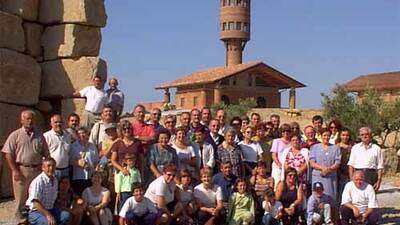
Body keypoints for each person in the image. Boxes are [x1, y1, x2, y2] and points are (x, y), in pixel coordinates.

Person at [2, 110, 49, 223]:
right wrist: (15, 170)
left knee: (35, 197)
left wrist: (43, 167)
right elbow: (8, 153)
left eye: (32, 119)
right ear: (22, 120)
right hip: (21, 170)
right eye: (27, 119)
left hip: (36, 171)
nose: (30, 121)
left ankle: (33, 220)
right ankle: (19, 221)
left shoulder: (39, 135)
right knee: (20, 200)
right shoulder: (15, 135)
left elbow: (46, 153)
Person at [26, 158, 71, 225]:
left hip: (50, 209)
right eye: (48, 166)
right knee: (49, 223)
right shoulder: (38, 182)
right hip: (36, 211)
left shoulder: (55, 180)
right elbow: (35, 203)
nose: (51, 168)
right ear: (43, 168)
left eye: (53, 166)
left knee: (66, 216)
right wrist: (48, 215)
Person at [348, 127, 384, 191]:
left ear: (370, 135)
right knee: (358, 198)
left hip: (371, 176)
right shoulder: (355, 148)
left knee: (370, 198)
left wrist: (379, 181)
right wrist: (351, 180)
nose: (364, 136)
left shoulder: (377, 148)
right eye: (362, 134)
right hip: (357, 176)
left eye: (366, 134)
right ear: (360, 136)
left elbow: (380, 166)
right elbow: (351, 165)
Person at [309, 128, 341, 201]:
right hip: (318, 176)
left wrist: (329, 169)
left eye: (328, 135)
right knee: (317, 198)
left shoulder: (335, 148)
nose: (326, 137)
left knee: (331, 199)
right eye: (324, 135)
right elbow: (312, 163)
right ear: (321, 136)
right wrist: (323, 169)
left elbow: (337, 162)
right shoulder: (314, 147)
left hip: (330, 177)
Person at [70, 127, 99, 195]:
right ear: (77, 135)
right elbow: (69, 160)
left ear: (87, 134)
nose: (81, 135)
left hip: (90, 177)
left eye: (83, 133)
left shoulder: (92, 146)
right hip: (78, 176)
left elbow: (96, 161)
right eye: (79, 133)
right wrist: (77, 163)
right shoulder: (73, 146)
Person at [44, 114, 72, 180]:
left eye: (60, 122)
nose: (58, 124)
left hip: (65, 169)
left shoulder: (68, 136)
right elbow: (44, 154)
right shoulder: (46, 136)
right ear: (51, 123)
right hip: (52, 170)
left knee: (64, 189)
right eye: (56, 122)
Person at [270, 124, 292, 190]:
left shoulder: (292, 142)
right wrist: (279, 164)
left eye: (287, 131)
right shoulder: (276, 141)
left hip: (288, 167)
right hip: (278, 167)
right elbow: (273, 155)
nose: (286, 132)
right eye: (283, 131)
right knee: (277, 185)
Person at [336, 127, 353, 200]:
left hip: (349, 172)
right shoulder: (336, 146)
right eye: (343, 135)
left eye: (347, 135)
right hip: (338, 173)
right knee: (339, 193)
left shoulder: (353, 147)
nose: (345, 137)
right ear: (340, 135)